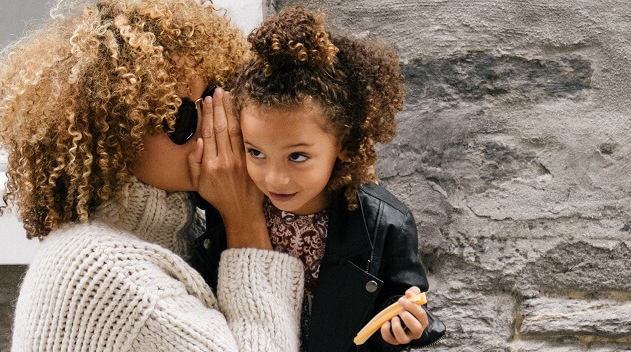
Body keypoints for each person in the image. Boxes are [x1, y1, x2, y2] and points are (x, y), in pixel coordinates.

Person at [0, 0, 303, 350]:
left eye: (214, 95)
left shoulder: (180, 230)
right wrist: (244, 219)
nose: (215, 124)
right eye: (179, 117)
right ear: (116, 137)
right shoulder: (102, 270)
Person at [191, 7, 446, 351]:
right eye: (256, 152)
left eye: (297, 156)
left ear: (342, 143)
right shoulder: (228, 205)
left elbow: (403, 301)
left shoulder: (385, 224)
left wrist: (405, 325)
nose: (274, 178)